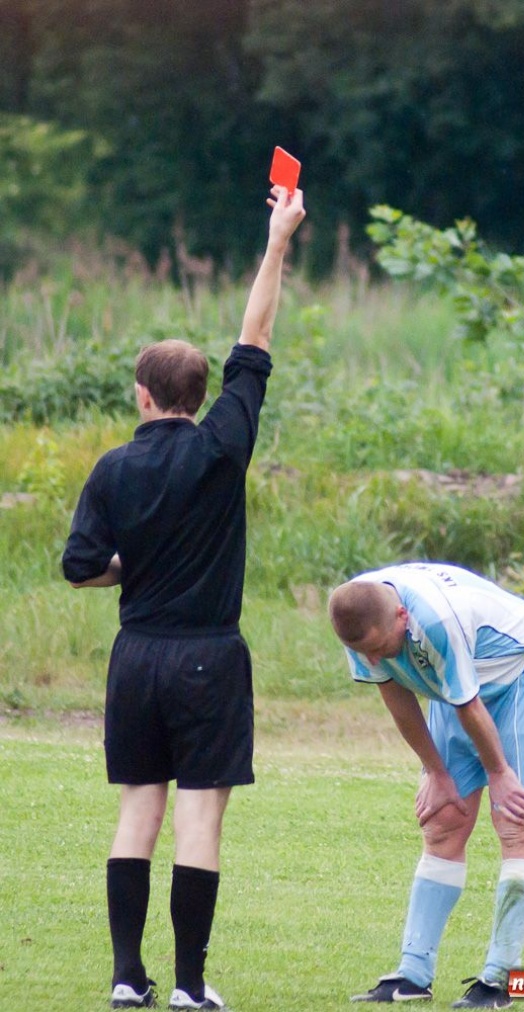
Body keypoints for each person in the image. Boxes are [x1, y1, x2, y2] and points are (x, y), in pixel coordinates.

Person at [62, 184, 305, 1011]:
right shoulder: (223, 446)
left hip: (135, 660)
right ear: (202, 397)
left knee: (139, 813)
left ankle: (128, 978)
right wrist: (277, 239)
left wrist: (134, 567)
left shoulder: (111, 469)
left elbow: (80, 567)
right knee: (199, 826)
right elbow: (255, 336)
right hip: (208, 657)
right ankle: (191, 986)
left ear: (141, 394)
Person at [328, 561, 524, 1010]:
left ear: (402, 617)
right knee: (443, 820)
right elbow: (396, 694)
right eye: (366, 654)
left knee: (515, 821)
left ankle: (498, 980)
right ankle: (413, 974)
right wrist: (435, 772)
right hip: (459, 688)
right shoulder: (358, 619)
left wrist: (500, 774)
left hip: (520, 673)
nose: (374, 660)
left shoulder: (435, 619)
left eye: (380, 648)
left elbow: (468, 704)